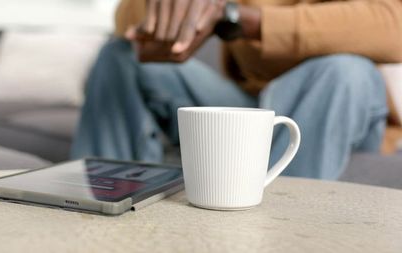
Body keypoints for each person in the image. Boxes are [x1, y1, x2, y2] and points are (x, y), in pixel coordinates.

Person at [71, 0, 402, 179]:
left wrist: (240, 17)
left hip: (342, 98)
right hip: (252, 102)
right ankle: (96, 212)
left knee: (339, 69)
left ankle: (280, 234)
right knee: (122, 56)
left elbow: (394, 24)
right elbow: (126, 27)